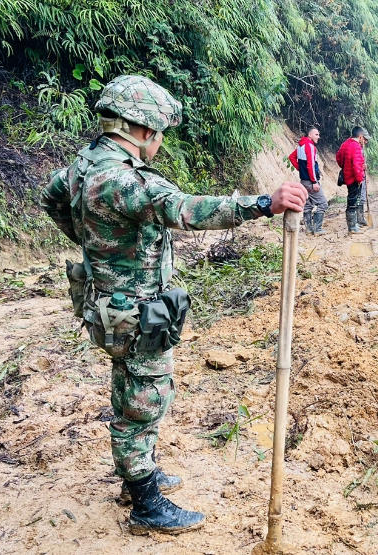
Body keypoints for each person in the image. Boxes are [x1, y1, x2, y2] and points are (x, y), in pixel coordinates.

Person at [40, 75, 307, 535]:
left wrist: (95, 243)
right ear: (141, 130)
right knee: (144, 399)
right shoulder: (124, 179)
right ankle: (146, 503)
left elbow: (52, 196)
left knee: (131, 388)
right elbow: (184, 209)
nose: (160, 143)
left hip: (108, 303)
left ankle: (137, 476)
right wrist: (264, 203)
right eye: (159, 134)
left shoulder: (85, 165)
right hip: (133, 311)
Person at [289, 126, 328, 235]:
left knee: (308, 205)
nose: (318, 137)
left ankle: (309, 229)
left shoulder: (300, 147)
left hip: (303, 181)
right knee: (323, 203)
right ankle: (318, 229)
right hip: (311, 182)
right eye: (316, 134)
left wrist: (300, 169)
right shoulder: (310, 147)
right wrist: (314, 182)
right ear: (309, 135)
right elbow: (310, 165)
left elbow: (291, 157)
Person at [336, 126, 371, 234]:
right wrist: (360, 178)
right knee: (352, 202)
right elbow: (356, 165)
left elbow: (339, 157)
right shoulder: (355, 147)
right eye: (363, 139)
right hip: (353, 178)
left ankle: (354, 224)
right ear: (360, 137)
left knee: (352, 200)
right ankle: (352, 227)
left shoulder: (346, 144)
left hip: (348, 176)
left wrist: (345, 166)